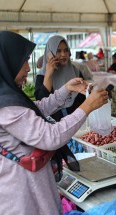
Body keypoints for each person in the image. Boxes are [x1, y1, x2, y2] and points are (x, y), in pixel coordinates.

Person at [0, 31, 108, 215]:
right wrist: (87, 106)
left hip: (16, 188)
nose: (28, 68)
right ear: (7, 62)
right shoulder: (3, 107)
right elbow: (50, 137)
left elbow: (33, 110)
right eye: (23, 61)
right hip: (16, 198)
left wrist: (65, 90)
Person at [35, 35, 93, 179]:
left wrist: (89, 91)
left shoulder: (75, 71)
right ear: (50, 53)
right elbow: (42, 102)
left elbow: (82, 99)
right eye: (58, 51)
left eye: (66, 50)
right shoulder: (43, 75)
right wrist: (49, 73)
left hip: (78, 130)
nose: (63, 54)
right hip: (57, 132)